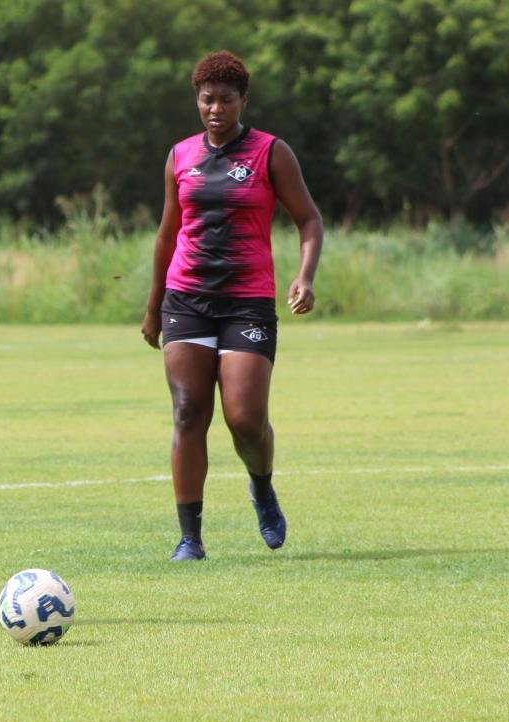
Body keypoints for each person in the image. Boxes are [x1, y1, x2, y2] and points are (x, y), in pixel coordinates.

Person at [141, 51, 323, 561]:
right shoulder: (180, 156)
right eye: (207, 99)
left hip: (247, 303)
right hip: (187, 300)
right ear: (196, 101)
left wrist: (304, 277)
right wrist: (153, 307)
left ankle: (261, 485)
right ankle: (189, 538)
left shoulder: (271, 153)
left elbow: (309, 220)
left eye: (226, 99)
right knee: (187, 412)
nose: (215, 108)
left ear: (243, 100)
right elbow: (166, 234)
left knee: (244, 419)